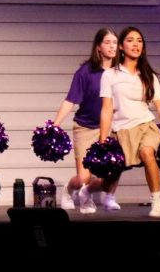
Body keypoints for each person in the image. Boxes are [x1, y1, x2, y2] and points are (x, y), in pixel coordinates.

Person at [97, 27, 160, 218]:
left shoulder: (149, 76)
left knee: (147, 152)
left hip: (146, 126)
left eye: (139, 41)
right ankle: (87, 190)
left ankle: (157, 202)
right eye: (130, 40)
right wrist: (103, 139)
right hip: (122, 131)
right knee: (108, 180)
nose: (135, 44)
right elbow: (107, 109)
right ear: (121, 47)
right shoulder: (110, 75)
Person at [50, 28, 120, 213]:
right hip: (85, 127)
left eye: (115, 42)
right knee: (83, 178)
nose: (112, 46)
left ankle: (100, 195)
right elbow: (70, 100)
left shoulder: (121, 72)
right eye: (107, 42)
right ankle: (69, 189)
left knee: (115, 169)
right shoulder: (86, 72)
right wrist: (54, 125)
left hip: (111, 127)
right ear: (98, 47)